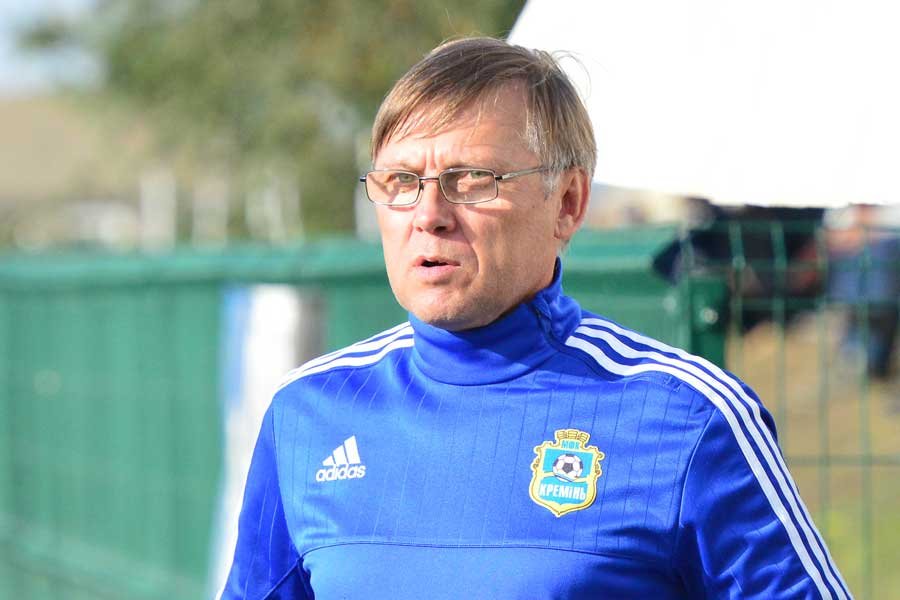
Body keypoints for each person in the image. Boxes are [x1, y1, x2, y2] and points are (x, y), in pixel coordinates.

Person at [220, 37, 850, 599]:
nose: (429, 214)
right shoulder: (308, 412)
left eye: (473, 179)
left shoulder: (688, 418)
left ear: (568, 203)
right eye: (402, 180)